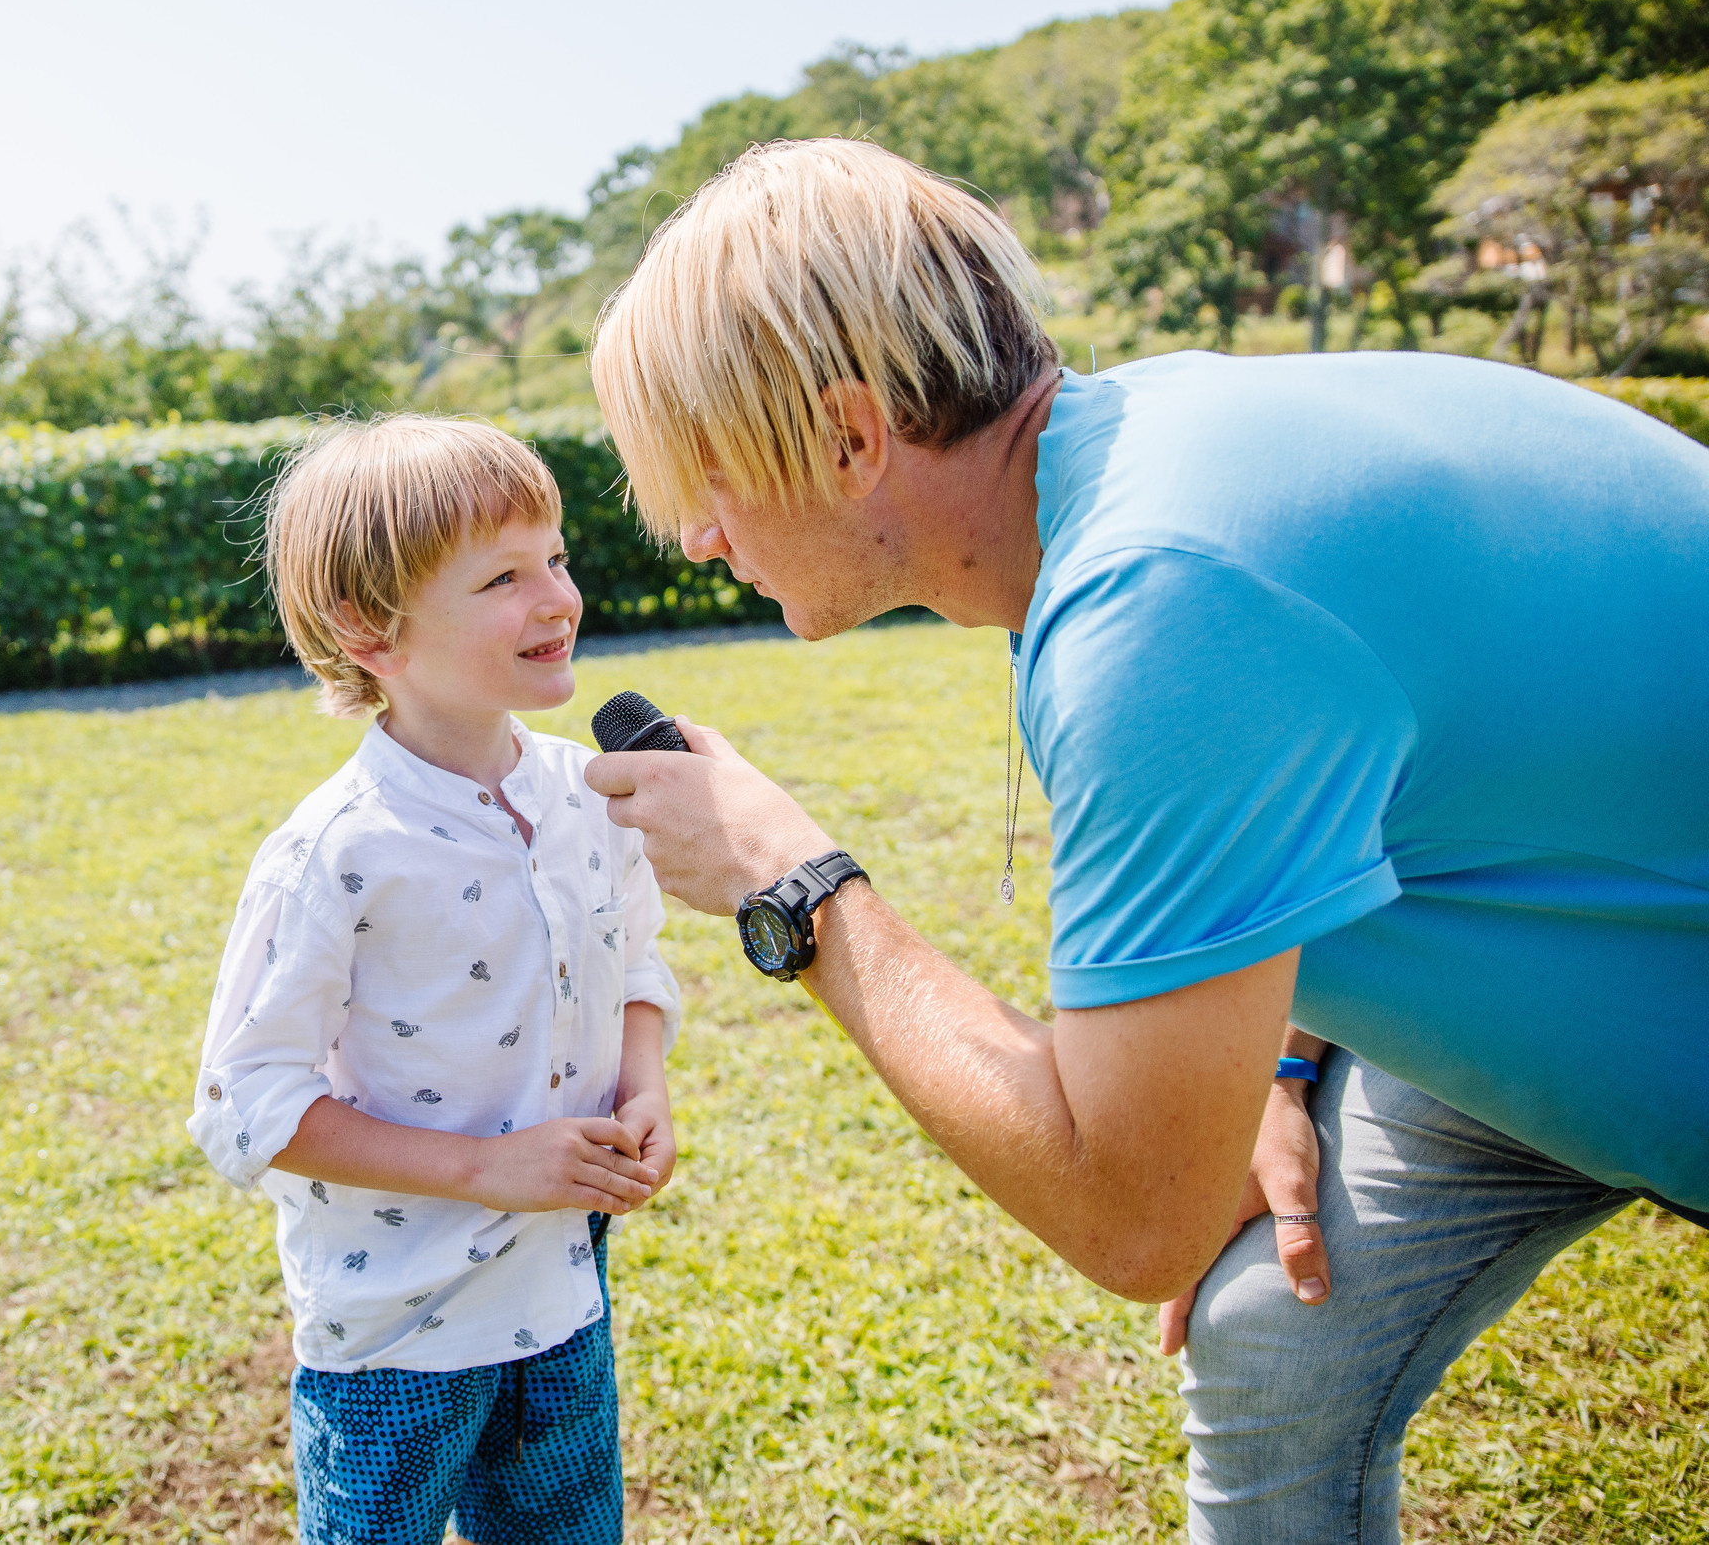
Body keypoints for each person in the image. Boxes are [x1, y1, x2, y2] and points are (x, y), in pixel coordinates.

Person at [576, 138, 1709, 1543]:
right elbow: (1409, 757)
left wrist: (789, 881)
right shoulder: (1133, 464)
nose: (693, 533)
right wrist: (1278, 1053)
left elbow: (1134, 1214)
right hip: (1558, 923)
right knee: (1273, 1339)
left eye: (706, 477)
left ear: (852, 436)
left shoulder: (1160, 600)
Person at [187, 414, 682, 1545]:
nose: (556, 597)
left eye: (554, 557)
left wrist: (641, 1089)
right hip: (395, 1330)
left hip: (562, 1294)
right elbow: (243, 1105)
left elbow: (637, 960)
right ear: (370, 631)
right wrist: (484, 1166)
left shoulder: (592, 796)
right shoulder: (337, 855)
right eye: (503, 576)